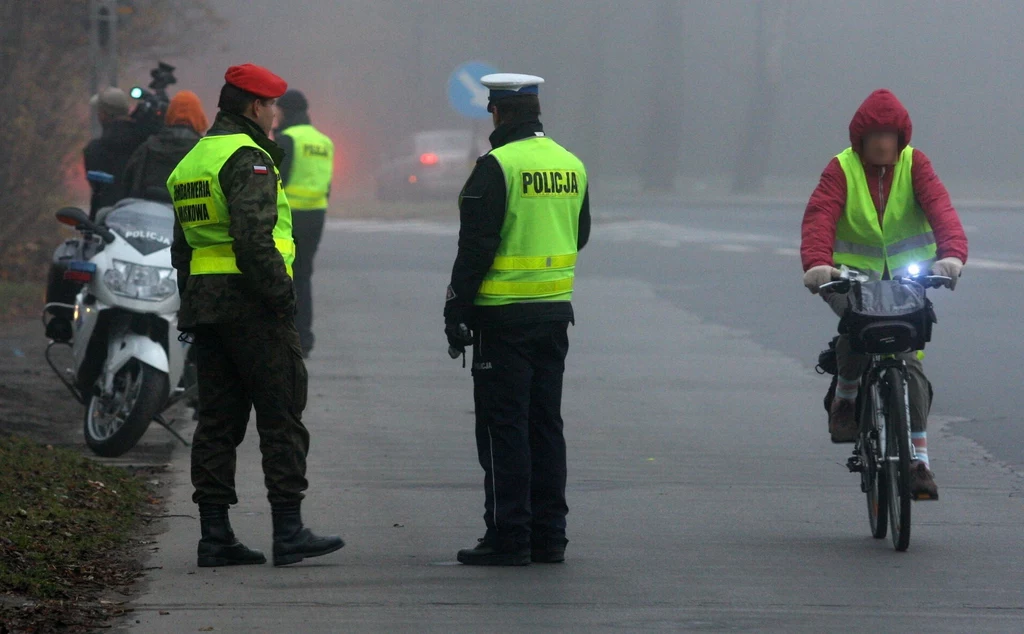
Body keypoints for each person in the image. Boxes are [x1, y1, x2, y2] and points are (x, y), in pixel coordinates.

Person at [167, 63, 343, 568]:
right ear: (253, 107)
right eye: (270, 106)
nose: (274, 115)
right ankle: (289, 530)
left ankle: (215, 536)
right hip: (253, 307)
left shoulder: (194, 160)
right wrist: (281, 297)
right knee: (281, 415)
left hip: (207, 308)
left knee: (218, 422)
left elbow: (181, 247)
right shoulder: (249, 157)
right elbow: (253, 237)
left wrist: (192, 303)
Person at [444, 73, 591, 566]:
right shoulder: (571, 163)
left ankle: (509, 535)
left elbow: (476, 247)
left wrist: (455, 309)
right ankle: (550, 536)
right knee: (546, 425)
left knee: (504, 428)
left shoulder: (497, 166)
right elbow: (581, 233)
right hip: (554, 314)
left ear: (498, 113)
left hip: (502, 319)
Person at [801, 88, 968, 500]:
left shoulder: (916, 165)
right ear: (860, 138)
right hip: (847, 276)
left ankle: (919, 462)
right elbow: (821, 215)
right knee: (858, 329)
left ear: (901, 138)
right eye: (874, 134)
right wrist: (817, 264)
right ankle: (845, 398)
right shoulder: (842, 169)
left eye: (890, 134)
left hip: (908, 281)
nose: (882, 142)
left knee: (908, 361)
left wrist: (952, 256)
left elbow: (941, 209)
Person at [274, 89, 334, 357]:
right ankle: (304, 336)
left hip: (290, 217)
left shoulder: (288, 139)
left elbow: (278, 180)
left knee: (282, 276)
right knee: (303, 276)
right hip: (316, 215)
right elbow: (327, 184)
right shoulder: (324, 142)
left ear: (285, 111)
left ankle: (284, 334)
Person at [123, 90, 208, 202]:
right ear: (199, 117)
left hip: (148, 212)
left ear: (169, 114)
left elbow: (127, 183)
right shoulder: (207, 154)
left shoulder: (147, 148)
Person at [84, 87, 152, 218]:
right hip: (140, 219)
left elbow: (96, 185)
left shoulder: (94, 149)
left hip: (104, 220)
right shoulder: (145, 144)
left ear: (103, 115)